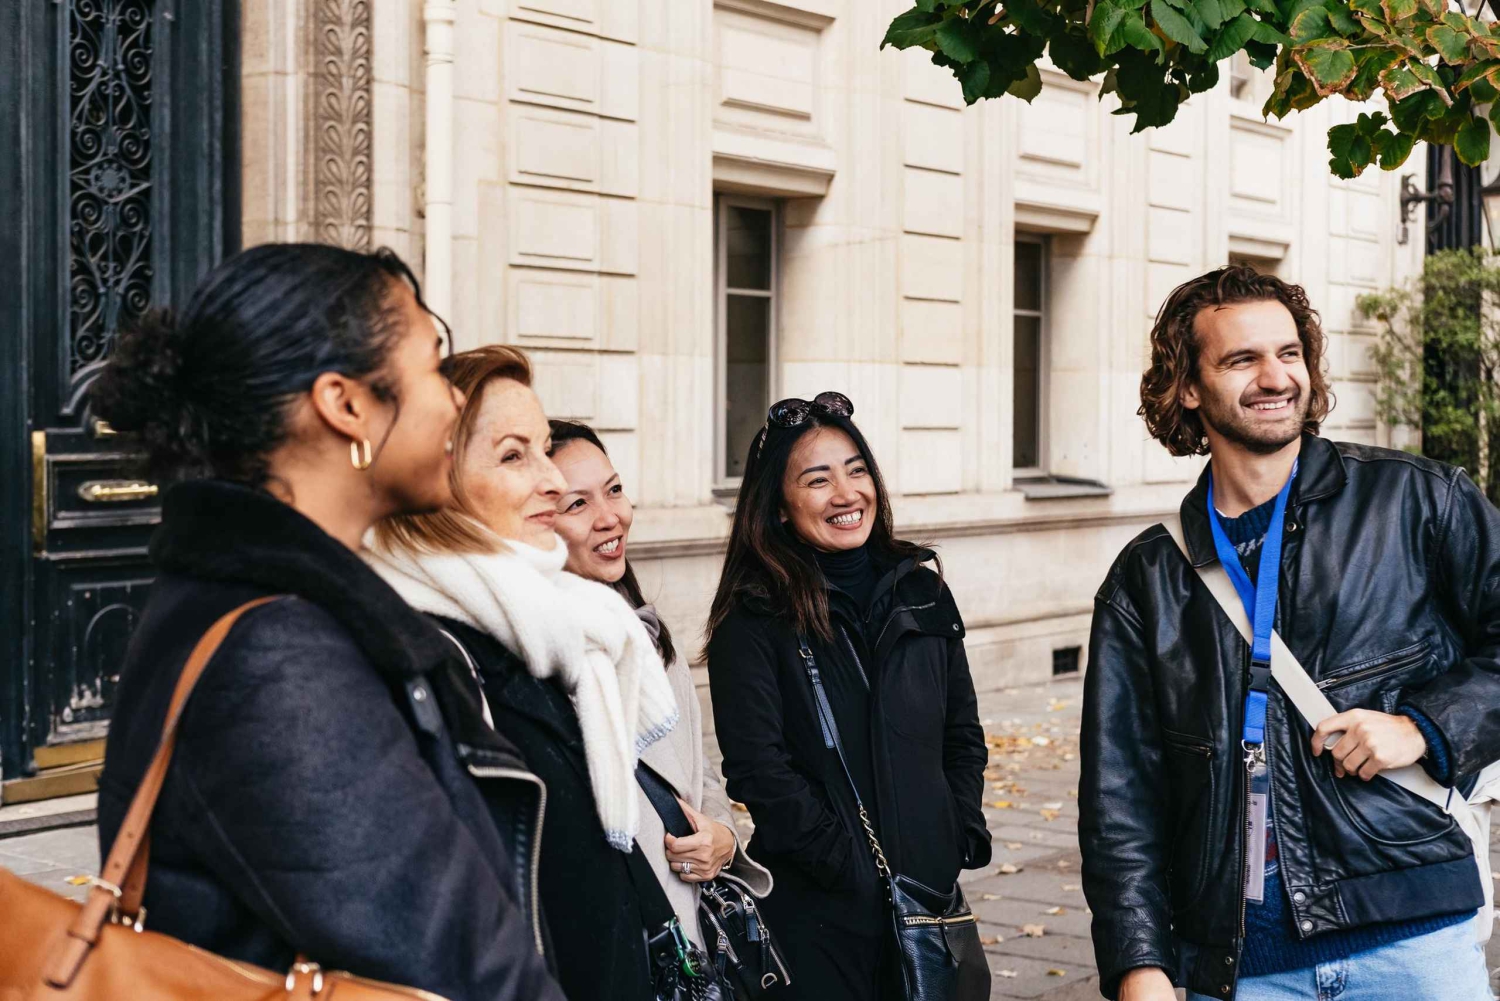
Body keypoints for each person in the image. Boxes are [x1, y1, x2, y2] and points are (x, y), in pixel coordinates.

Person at [93, 244, 564, 1000]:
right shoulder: (278, 655)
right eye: (434, 364)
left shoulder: (263, 605)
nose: (452, 402)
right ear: (346, 404)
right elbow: (466, 969)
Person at [1080, 265, 1500, 1001]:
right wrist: (1139, 965)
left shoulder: (1416, 499)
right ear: (1186, 387)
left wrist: (1425, 725)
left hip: (1413, 941)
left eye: (1289, 353)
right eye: (1241, 359)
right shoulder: (1147, 579)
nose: (1276, 376)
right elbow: (1121, 799)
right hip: (1239, 967)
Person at [363, 346, 682, 1001]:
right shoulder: (421, 652)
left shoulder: (558, 626)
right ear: (436, 479)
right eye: (514, 455)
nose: (552, 480)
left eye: (542, 448)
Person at [704, 392, 992, 1000]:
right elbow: (759, 770)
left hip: (927, 900)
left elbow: (961, 735)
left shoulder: (921, 591)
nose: (845, 493)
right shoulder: (755, 620)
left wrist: (956, 829)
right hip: (819, 919)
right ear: (779, 507)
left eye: (856, 470)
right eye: (817, 479)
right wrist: (846, 867)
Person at [547, 419, 773, 941]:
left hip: (689, 924)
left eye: (615, 490)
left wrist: (721, 837)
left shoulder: (646, 632)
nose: (610, 517)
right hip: (617, 936)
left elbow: (696, 771)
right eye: (577, 504)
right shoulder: (536, 658)